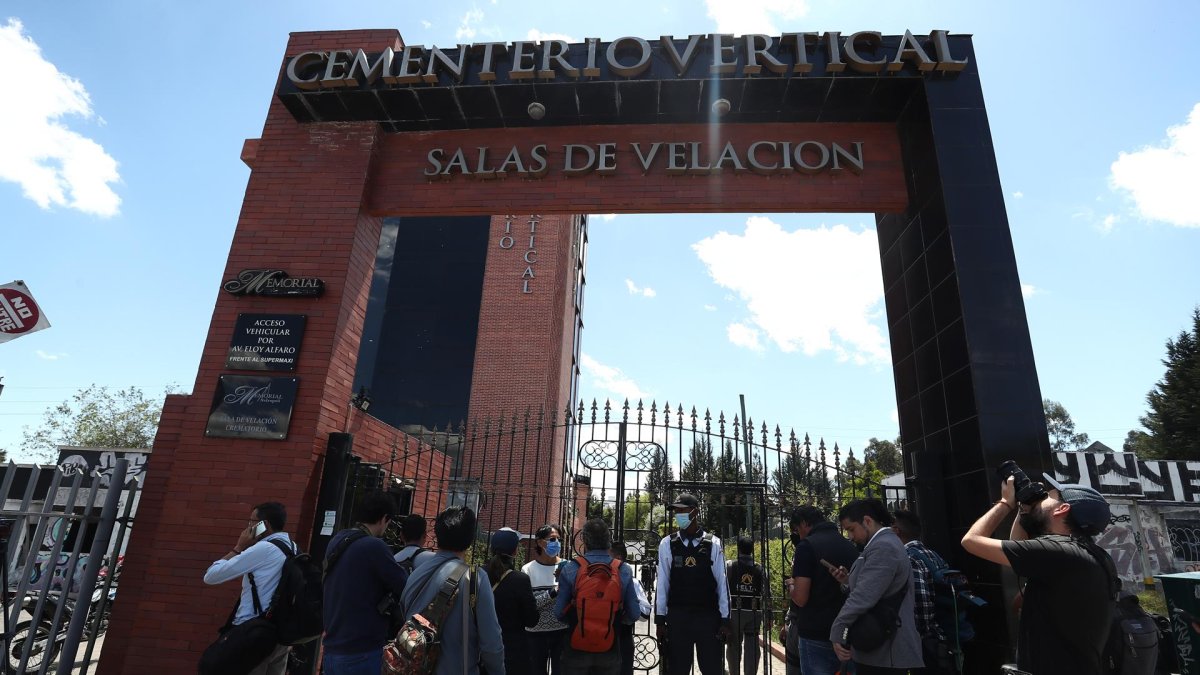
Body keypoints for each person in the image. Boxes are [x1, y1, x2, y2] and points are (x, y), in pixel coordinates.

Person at [961, 469, 1116, 674]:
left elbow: (971, 541)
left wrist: (1005, 503)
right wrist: (1025, 509)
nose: (1041, 498)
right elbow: (1019, 546)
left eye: (1048, 497)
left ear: (1062, 509)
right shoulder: (1090, 554)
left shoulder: (1058, 551)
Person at [399, 505, 505, 674]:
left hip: (414, 668)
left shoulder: (416, 573)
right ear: (470, 539)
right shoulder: (475, 578)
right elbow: (491, 644)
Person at [830, 498, 923, 675]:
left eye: (851, 529)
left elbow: (864, 596)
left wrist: (838, 629)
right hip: (880, 646)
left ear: (867, 521)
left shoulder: (884, 547)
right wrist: (847, 581)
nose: (850, 536)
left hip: (887, 650)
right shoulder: (878, 545)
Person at [321, 491, 410, 674]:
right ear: (385, 518)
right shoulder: (374, 546)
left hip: (333, 646)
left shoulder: (337, 540)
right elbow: (404, 586)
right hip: (361, 650)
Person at [202, 501, 296, 675]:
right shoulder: (292, 547)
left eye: (252, 522)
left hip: (253, 634)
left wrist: (239, 547)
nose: (248, 527)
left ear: (264, 525)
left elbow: (211, 576)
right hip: (280, 636)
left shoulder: (264, 548)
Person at [654, 493, 731, 675]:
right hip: (678, 618)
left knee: (712, 668)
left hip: (708, 618)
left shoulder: (713, 544)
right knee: (677, 669)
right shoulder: (667, 544)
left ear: (694, 512)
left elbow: (722, 583)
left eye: (683, 510)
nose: (678, 515)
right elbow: (662, 582)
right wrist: (660, 619)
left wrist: (725, 619)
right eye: (676, 511)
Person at [555, 518, 641, 674]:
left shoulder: (571, 568)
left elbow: (559, 612)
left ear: (585, 540)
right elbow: (634, 613)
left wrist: (578, 619)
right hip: (609, 645)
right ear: (609, 541)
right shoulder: (623, 569)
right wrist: (614, 620)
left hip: (576, 645)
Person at [788, 505, 860, 675]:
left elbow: (800, 598)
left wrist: (791, 585)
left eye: (798, 530)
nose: (799, 535)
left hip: (816, 634)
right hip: (847, 633)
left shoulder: (806, 546)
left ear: (805, 524)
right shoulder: (849, 546)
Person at [891, 510, 955, 675]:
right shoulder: (931, 554)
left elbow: (921, 605)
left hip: (926, 643)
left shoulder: (909, 558)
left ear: (896, 531)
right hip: (943, 634)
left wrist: (917, 635)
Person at [487, 527, 539, 675]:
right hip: (514, 651)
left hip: (483, 649)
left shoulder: (477, 574)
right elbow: (532, 620)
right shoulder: (520, 580)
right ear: (515, 551)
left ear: (491, 548)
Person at [522, 523, 569, 675]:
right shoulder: (528, 569)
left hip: (561, 632)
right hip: (536, 634)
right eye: (553, 539)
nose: (557, 543)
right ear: (540, 542)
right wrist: (553, 593)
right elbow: (529, 606)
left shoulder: (566, 567)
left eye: (559, 540)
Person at [725, 535, 766, 675]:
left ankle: (734, 672)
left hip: (735, 611)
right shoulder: (759, 568)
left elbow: (724, 588)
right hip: (754, 611)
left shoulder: (731, 565)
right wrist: (770, 615)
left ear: (739, 548)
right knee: (752, 646)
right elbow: (767, 593)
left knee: (733, 646)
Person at [610, 541, 652, 675]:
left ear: (619, 558)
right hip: (598, 638)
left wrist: (629, 603)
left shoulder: (632, 582)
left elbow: (646, 613)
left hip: (623, 637)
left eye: (608, 556)